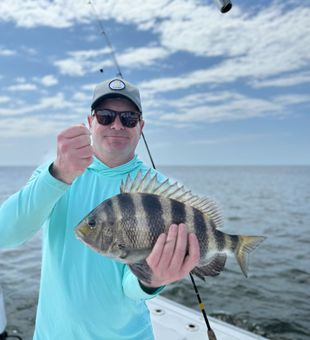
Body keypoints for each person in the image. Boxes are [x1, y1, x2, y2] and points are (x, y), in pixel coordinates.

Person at [0, 78, 200, 339]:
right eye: (105, 116)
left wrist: (151, 280)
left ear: (141, 126)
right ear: (90, 121)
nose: (117, 125)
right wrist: (58, 175)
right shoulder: (56, 172)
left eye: (128, 118)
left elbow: (129, 288)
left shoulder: (160, 191)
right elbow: (6, 234)